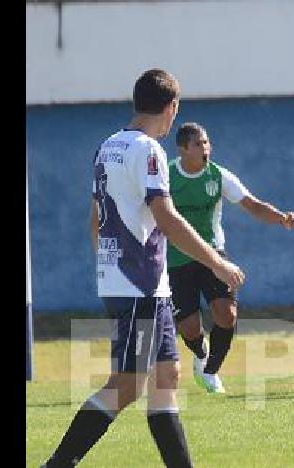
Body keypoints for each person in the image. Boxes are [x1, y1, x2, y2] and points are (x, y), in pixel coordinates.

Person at [43, 69, 245, 467]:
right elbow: (167, 218)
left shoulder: (107, 146)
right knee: (125, 386)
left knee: (166, 380)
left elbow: (96, 216)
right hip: (139, 284)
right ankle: (57, 464)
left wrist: (105, 267)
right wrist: (218, 263)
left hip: (143, 286)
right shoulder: (148, 151)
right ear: (172, 108)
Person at [167, 122, 294, 394]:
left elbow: (251, 203)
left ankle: (211, 370)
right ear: (182, 149)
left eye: (207, 142)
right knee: (190, 329)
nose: (206, 148)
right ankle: (200, 354)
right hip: (176, 258)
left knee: (227, 315)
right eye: (199, 144)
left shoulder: (218, 175)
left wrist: (280, 218)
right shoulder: (166, 175)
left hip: (213, 253)